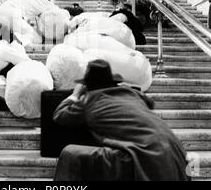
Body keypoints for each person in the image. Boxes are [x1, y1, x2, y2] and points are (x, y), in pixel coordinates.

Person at [53, 60, 189, 181]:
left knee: (70, 153)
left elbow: (59, 115)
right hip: (175, 150)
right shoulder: (130, 93)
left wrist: (76, 94)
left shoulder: (88, 100)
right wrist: (123, 87)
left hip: (146, 155)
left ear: (87, 86)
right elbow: (150, 103)